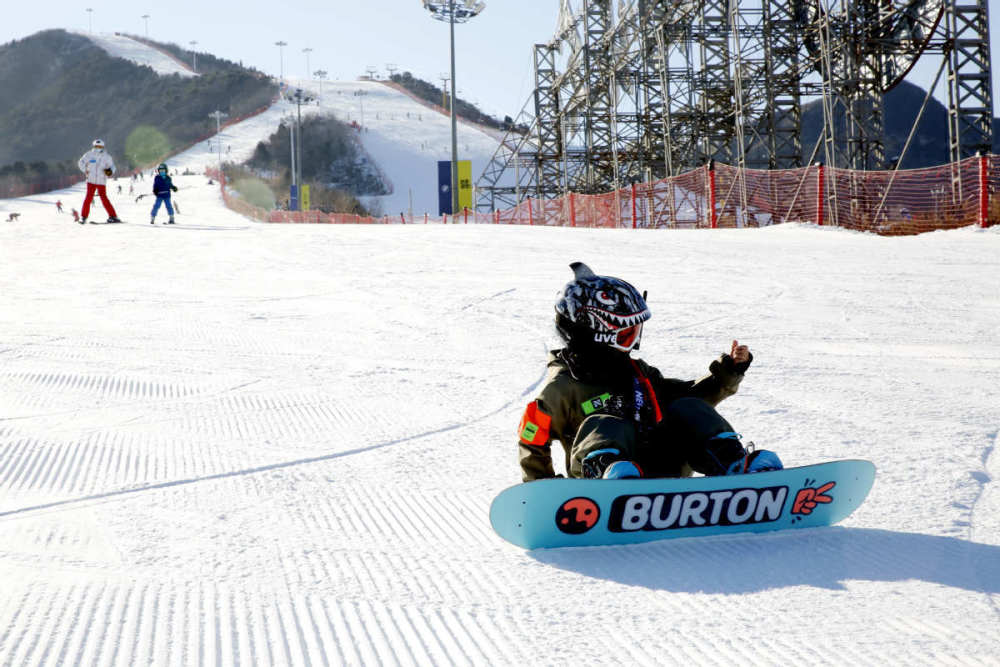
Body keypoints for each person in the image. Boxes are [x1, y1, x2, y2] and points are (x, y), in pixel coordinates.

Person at [517, 262, 783, 482]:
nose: (633, 342)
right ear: (591, 332)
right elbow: (532, 439)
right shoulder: (562, 387)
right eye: (626, 334)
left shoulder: (637, 372)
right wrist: (544, 489)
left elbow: (689, 398)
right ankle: (611, 474)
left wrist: (727, 373)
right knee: (606, 421)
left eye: (635, 333)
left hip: (660, 469)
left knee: (689, 406)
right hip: (597, 483)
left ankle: (733, 465)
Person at [77, 139, 121, 224]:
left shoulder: (106, 157)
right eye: (96, 146)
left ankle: (113, 216)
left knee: (104, 198)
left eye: (100, 146)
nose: (98, 148)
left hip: (101, 181)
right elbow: (80, 162)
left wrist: (109, 172)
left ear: (103, 147)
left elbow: (113, 167)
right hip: (91, 180)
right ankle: (83, 217)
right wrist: (85, 170)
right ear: (94, 146)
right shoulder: (89, 155)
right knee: (88, 198)